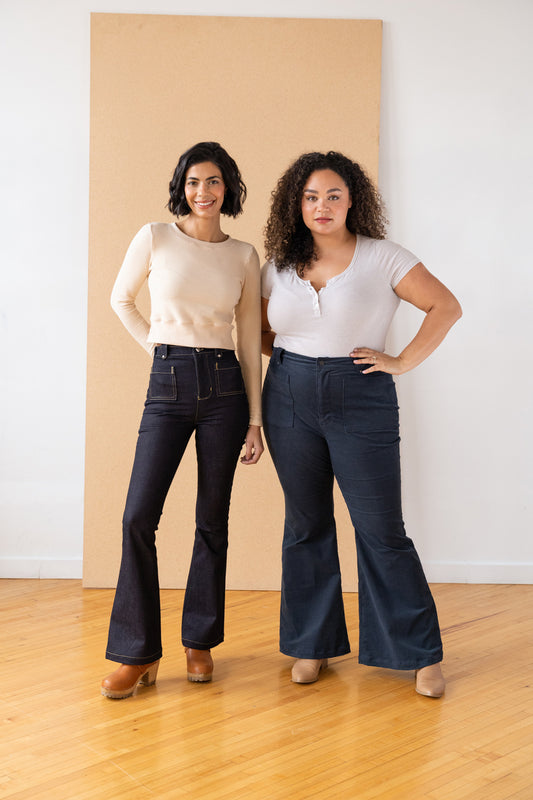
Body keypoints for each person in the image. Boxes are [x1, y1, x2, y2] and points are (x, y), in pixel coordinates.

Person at [261, 151, 461, 697]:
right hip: (288, 397)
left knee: (381, 530)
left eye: (332, 195)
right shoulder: (277, 264)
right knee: (305, 526)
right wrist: (293, 365)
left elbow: (445, 306)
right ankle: (311, 645)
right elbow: (260, 333)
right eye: (309, 197)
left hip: (361, 396)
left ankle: (419, 655)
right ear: (294, 205)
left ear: (353, 200)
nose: (320, 206)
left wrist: (400, 361)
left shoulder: (383, 257)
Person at [101, 142, 264, 699]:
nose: (204, 192)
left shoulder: (243, 255)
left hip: (225, 388)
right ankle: (136, 652)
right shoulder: (155, 237)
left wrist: (256, 420)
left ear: (229, 188)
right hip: (166, 383)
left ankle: (200, 641)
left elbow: (247, 338)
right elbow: (121, 300)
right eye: (195, 182)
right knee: (137, 516)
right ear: (181, 186)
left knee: (211, 519)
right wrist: (160, 349)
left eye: (215, 182)